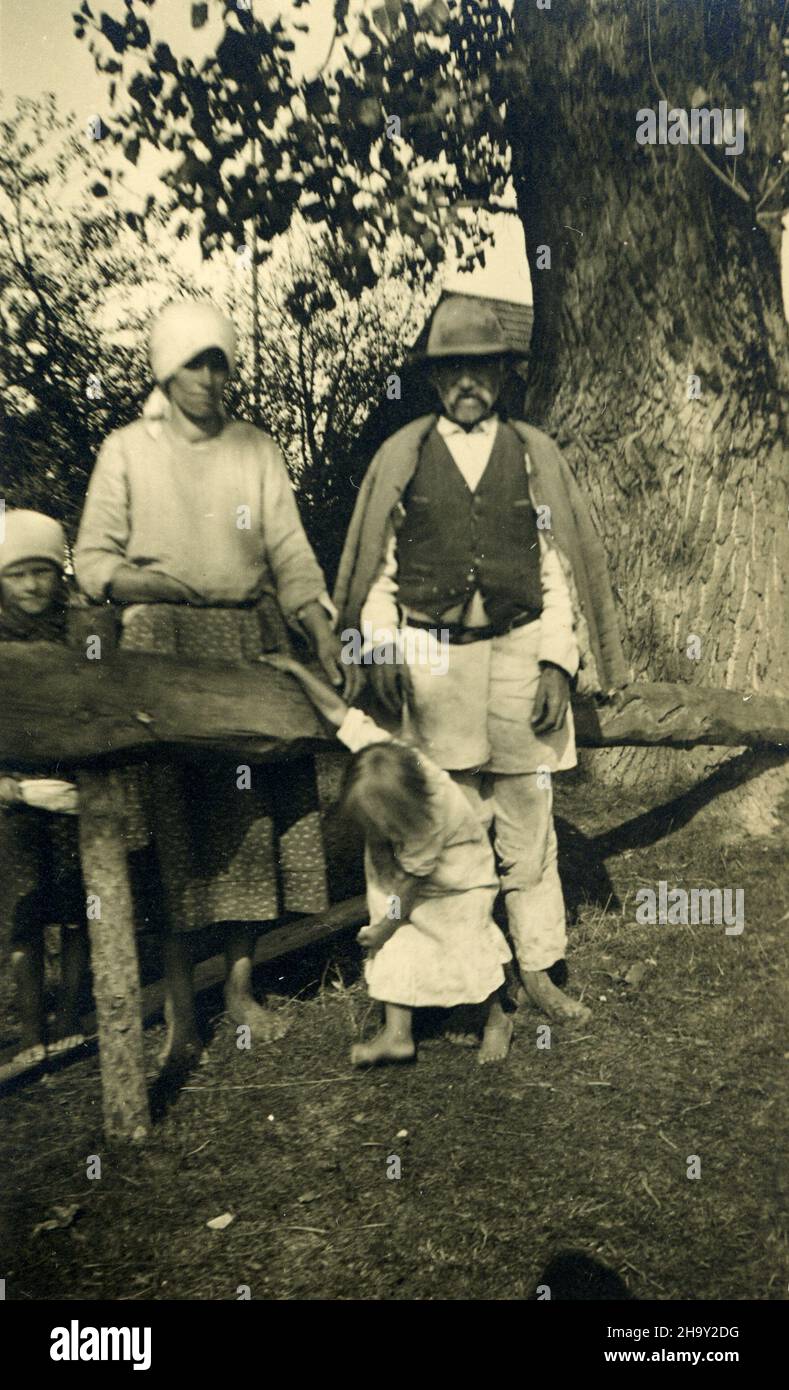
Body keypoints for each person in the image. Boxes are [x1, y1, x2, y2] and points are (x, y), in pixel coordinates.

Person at [334, 296, 629, 1025]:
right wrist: (376, 643)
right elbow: (377, 572)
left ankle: (535, 971)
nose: (468, 382)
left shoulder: (532, 454)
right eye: (453, 370)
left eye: (482, 368)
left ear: (503, 374)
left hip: (517, 651)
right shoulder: (402, 455)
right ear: (434, 380)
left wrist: (558, 664)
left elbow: (558, 568)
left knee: (527, 824)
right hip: (431, 658)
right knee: (431, 818)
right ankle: (414, 979)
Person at [74, 299, 346, 1070]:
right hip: (158, 643)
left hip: (241, 641)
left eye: (219, 362)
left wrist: (320, 628)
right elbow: (91, 562)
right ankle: (178, 1016)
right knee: (171, 828)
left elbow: (289, 552)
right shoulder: (126, 449)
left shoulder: (254, 449)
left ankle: (238, 990)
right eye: (194, 363)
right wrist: (149, 582)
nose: (209, 378)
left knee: (245, 826)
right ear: (165, 369)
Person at [262, 653, 513, 1067]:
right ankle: (397, 1034)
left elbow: (407, 892)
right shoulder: (385, 755)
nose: (371, 832)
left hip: (458, 883)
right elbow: (341, 714)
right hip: (400, 875)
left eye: (379, 826)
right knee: (397, 945)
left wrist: (382, 928)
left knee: (461, 946)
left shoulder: (432, 817)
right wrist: (299, 670)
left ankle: (495, 1018)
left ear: (402, 815)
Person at [0, 510, 89, 1081]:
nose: (33, 585)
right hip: (13, 802)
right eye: (17, 575)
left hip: (74, 793)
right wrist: (16, 789)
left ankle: (71, 1021)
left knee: (80, 910)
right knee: (23, 915)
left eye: (42, 572)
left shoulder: (78, 634)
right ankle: (32, 1031)